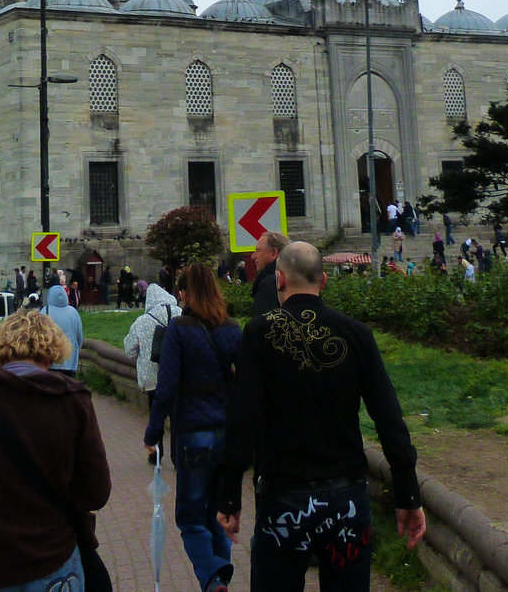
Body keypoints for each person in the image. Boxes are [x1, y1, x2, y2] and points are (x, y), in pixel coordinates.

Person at [214, 241, 426, 592]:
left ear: (278, 279)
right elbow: (389, 420)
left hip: (283, 496)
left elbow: (242, 420)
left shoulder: (258, 333)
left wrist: (229, 496)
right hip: (345, 499)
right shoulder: (357, 334)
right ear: (324, 281)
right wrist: (408, 494)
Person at [0, 311, 112, 592]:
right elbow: (96, 492)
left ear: (0, 352)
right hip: (55, 563)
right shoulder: (73, 401)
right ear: (51, 353)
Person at [145, 263, 242, 592]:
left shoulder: (179, 328)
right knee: (217, 511)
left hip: (193, 434)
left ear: (184, 294)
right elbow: (245, 384)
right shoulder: (232, 328)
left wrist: (153, 432)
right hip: (226, 433)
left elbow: (166, 387)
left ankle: (215, 575)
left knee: (189, 516)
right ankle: (218, 575)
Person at [124, 281, 179, 398]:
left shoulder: (141, 321)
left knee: (155, 411)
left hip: (152, 378)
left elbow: (130, 351)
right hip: (178, 373)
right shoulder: (181, 313)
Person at [43, 283, 84, 378]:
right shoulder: (73, 312)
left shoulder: (45, 311)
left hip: (51, 361)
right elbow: (79, 337)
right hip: (70, 360)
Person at [248, 230, 290, 318]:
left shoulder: (268, 284)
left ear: (274, 253)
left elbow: (263, 325)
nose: (253, 256)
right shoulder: (299, 279)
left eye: (258, 250)